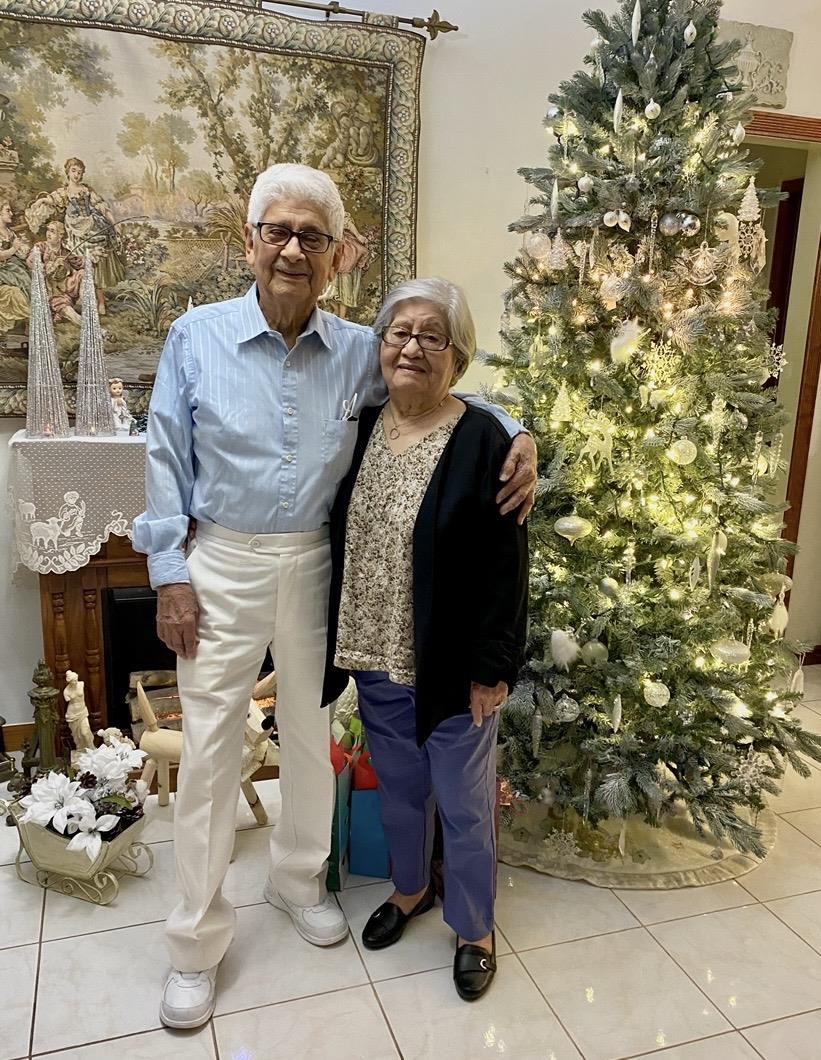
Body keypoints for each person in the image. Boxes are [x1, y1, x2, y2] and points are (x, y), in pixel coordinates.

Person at [131, 162, 537, 1030]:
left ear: (334, 258)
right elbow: (163, 457)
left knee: (311, 732)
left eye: (311, 237)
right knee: (208, 754)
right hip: (221, 562)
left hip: (317, 563)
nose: (291, 249)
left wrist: (518, 430)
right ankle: (194, 943)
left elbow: (444, 385)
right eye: (276, 231)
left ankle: (295, 880)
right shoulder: (194, 336)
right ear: (248, 242)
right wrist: (168, 572)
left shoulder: (360, 346)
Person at [323, 278, 528, 1002]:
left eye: (430, 336)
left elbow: (506, 567)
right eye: (398, 332)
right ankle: (410, 890)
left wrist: (492, 668)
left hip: (449, 666)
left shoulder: (484, 438)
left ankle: (473, 928)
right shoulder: (361, 423)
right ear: (380, 346)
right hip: (372, 653)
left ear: (456, 355)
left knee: (466, 806)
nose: (410, 347)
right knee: (402, 797)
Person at [26, 157, 124, 309]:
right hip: (74, 231)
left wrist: (114, 223)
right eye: (74, 171)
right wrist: (40, 202)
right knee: (79, 263)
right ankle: (80, 298)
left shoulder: (87, 190)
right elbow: (51, 200)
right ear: (68, 172)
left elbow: (102, 207)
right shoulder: (64, 192)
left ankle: (100, 301)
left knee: (97, 263)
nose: (77, 175)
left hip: (92, 226)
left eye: (79, 172)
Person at [0, 201, 30, 332]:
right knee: (19, 285)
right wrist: (14, 248)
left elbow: (20, 253)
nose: (11, 214)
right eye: (8, 210)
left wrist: (24, 248)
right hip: (2, 270)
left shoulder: (10, 232)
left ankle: (30, 322)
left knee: (28, 279)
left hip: (10, 267)